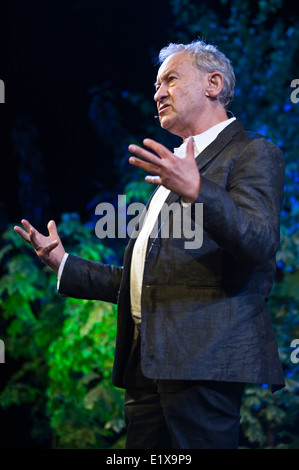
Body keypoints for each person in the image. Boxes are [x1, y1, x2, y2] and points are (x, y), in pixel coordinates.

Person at [14, 40, 285, 449]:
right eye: (156, 85)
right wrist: (64, 263)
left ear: (213, 84)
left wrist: (199, 192)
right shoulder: (173, 169)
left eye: (170, 80)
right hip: (145, 368)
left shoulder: (253, 153)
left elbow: (258, 240)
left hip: (202, 363)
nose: (157, 93)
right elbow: (147, 279)